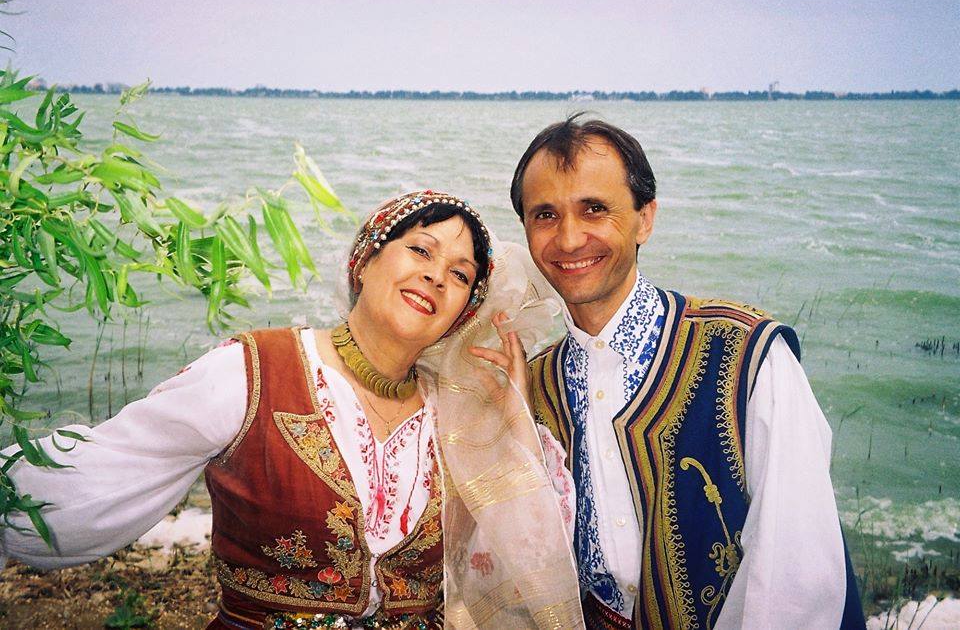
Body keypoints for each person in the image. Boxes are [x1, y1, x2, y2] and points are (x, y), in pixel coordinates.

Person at [0, 191, 585, 629]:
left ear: (462, 313)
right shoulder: (252, 369)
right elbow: (107, 469)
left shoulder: (455, 417)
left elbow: (521, 559)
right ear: (365, 260)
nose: (436, 275)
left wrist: (510, 419)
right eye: (420, 249)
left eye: (460, 275)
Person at [511, 115, 866, 630]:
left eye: (595, 209)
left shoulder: (746, 355)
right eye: (545, 215)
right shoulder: (535, 383)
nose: (568, 239)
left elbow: (796, 577)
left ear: (645, 219)